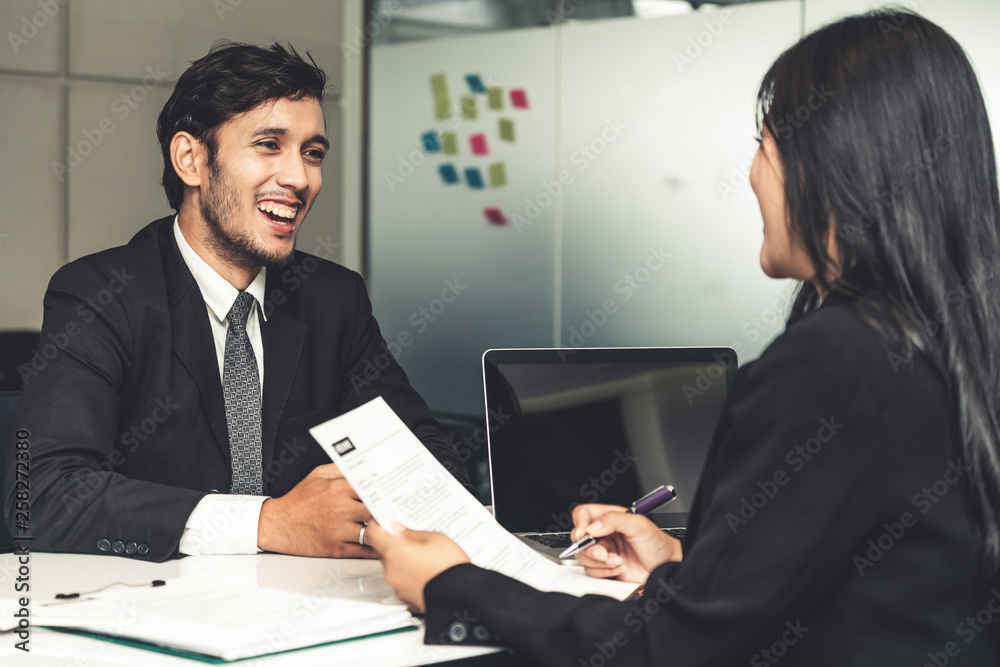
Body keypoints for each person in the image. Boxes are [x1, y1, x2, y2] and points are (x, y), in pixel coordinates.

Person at [368, 9, 1000, 664]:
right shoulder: (950, 338)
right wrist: (684, 560)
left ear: (830, 158)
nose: (752, 172)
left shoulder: (837, 359)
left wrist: (454, 584)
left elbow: (670, 650)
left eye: (764, 141)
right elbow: (881, 580)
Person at [3, 42, 470, 562]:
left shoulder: (334, 298)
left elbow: (432, 465)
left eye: (312, 153)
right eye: (270, 144)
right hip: (154, 611)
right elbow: (42, 497)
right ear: (192, 160)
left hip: (317, 610)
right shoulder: (101, 294)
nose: (300, 178)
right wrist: (267, 522)